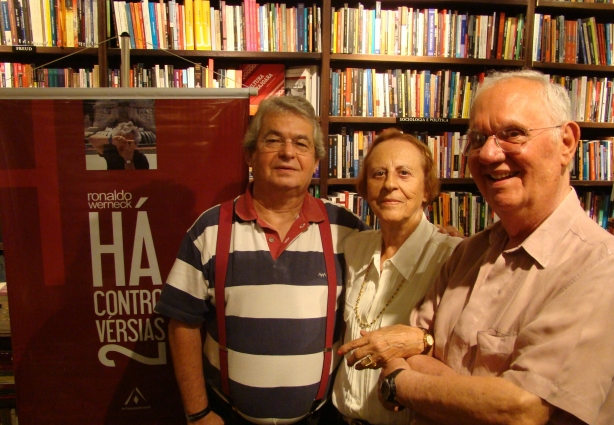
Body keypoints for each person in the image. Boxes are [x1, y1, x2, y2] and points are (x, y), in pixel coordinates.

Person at [340, 69, 614, 424]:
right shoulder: (466, 254)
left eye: (512, 134)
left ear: (566, 143)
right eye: (478, 138)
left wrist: (401, 385)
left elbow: (522, 408)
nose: (487, 154)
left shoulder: (598, 267)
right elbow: (410, 347)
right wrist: (476, 396)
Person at [155, 95, 369, 425]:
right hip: (228, 417)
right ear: (251, 154)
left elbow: (398, 270)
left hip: (321, 418)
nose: (288, 152)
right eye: (273, 140)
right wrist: (198, 413)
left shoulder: (350, 232)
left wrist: (440, 241)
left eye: (301, 143)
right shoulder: (209, 230)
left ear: (315, 160)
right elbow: (182, 323)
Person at [331, 129, 462, 425]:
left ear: (427, 189)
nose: (390, 184)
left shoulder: (455, 257)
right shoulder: (354, 246)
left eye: (404, 173)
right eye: (379, 174)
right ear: (365, 189)